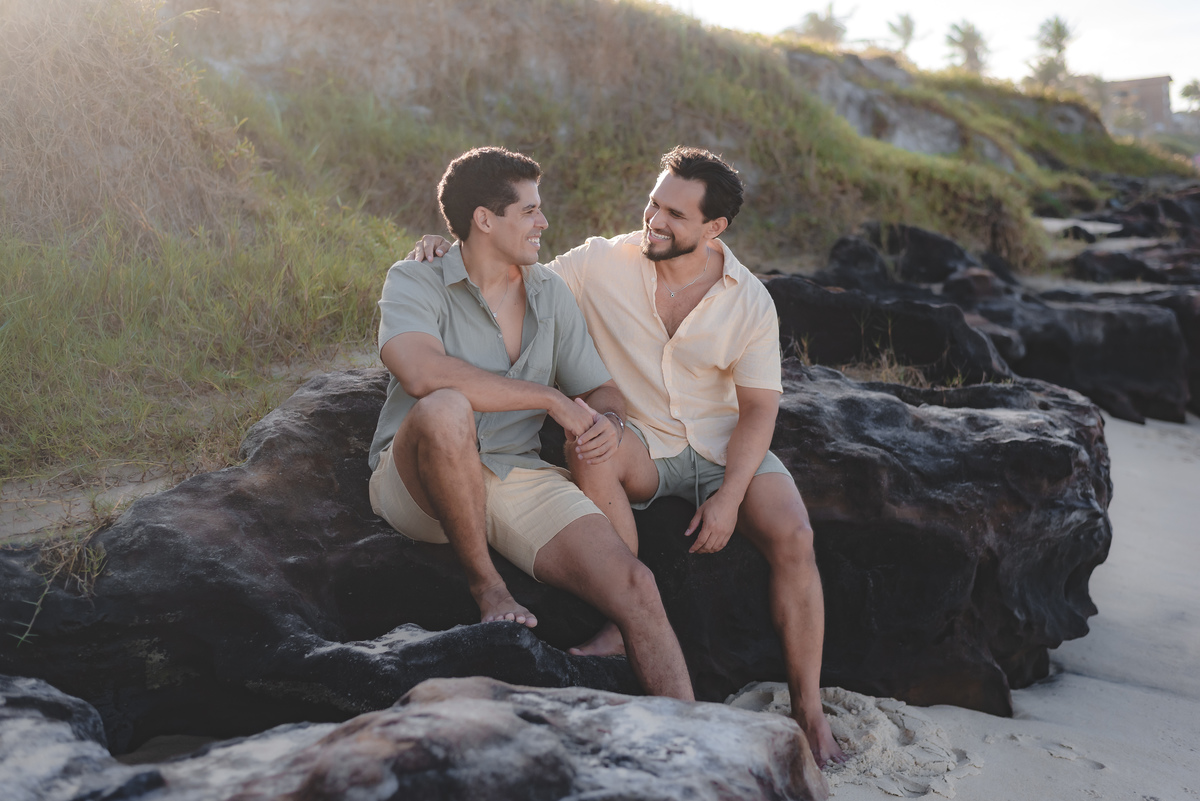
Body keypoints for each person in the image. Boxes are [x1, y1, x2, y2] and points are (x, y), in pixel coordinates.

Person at [407, 146, 848, 767]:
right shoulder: (597, 263)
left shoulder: (748, 300)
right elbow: (508, 267)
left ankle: (809, 709)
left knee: (795, 535)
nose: (654, 220)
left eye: (675, 214)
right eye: (653, 203)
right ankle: (621, 618)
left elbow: (757, 412)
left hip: (723, 447)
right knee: (592, 442)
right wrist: (447, 246)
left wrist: (727, 499)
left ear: (714, 228)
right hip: (642, 442)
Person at [370, 146, 693, 701]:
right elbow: (422, 373)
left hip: (515, 476)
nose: (544, 221)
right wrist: (547, 397)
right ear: (484, 219)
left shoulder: (548, 291)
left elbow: (601, 389)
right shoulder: (415, 280)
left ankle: (700, 747)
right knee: (448, 407)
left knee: (637, 586)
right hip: (420, 483)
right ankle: (488, 588)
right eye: (529, 210)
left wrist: (606, 422)